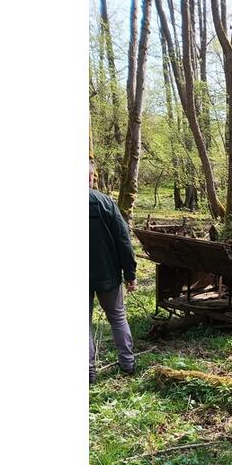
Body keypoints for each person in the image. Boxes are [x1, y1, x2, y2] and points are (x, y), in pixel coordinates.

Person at [89, 160, 138, 384]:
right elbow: (123, 241)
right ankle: (127, 363)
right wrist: (130, 275)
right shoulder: (106, 203)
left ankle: (88, 372)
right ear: (91, 178)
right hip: (107, 275)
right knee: (117, 317)